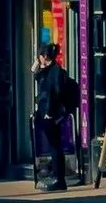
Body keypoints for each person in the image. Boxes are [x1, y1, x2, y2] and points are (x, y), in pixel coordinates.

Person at [32, 46, 79, 192]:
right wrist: (36, 69)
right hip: (48, 112)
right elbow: (40, 80)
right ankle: (56, 176)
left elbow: (54, 92)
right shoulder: (49, 70)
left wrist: (50, 111)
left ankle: (59, 179)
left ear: (44, 56)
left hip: (52, 114)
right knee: (54, 145)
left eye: (39, 56)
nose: (38, 58)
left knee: (55, 146)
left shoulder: (55, 71)